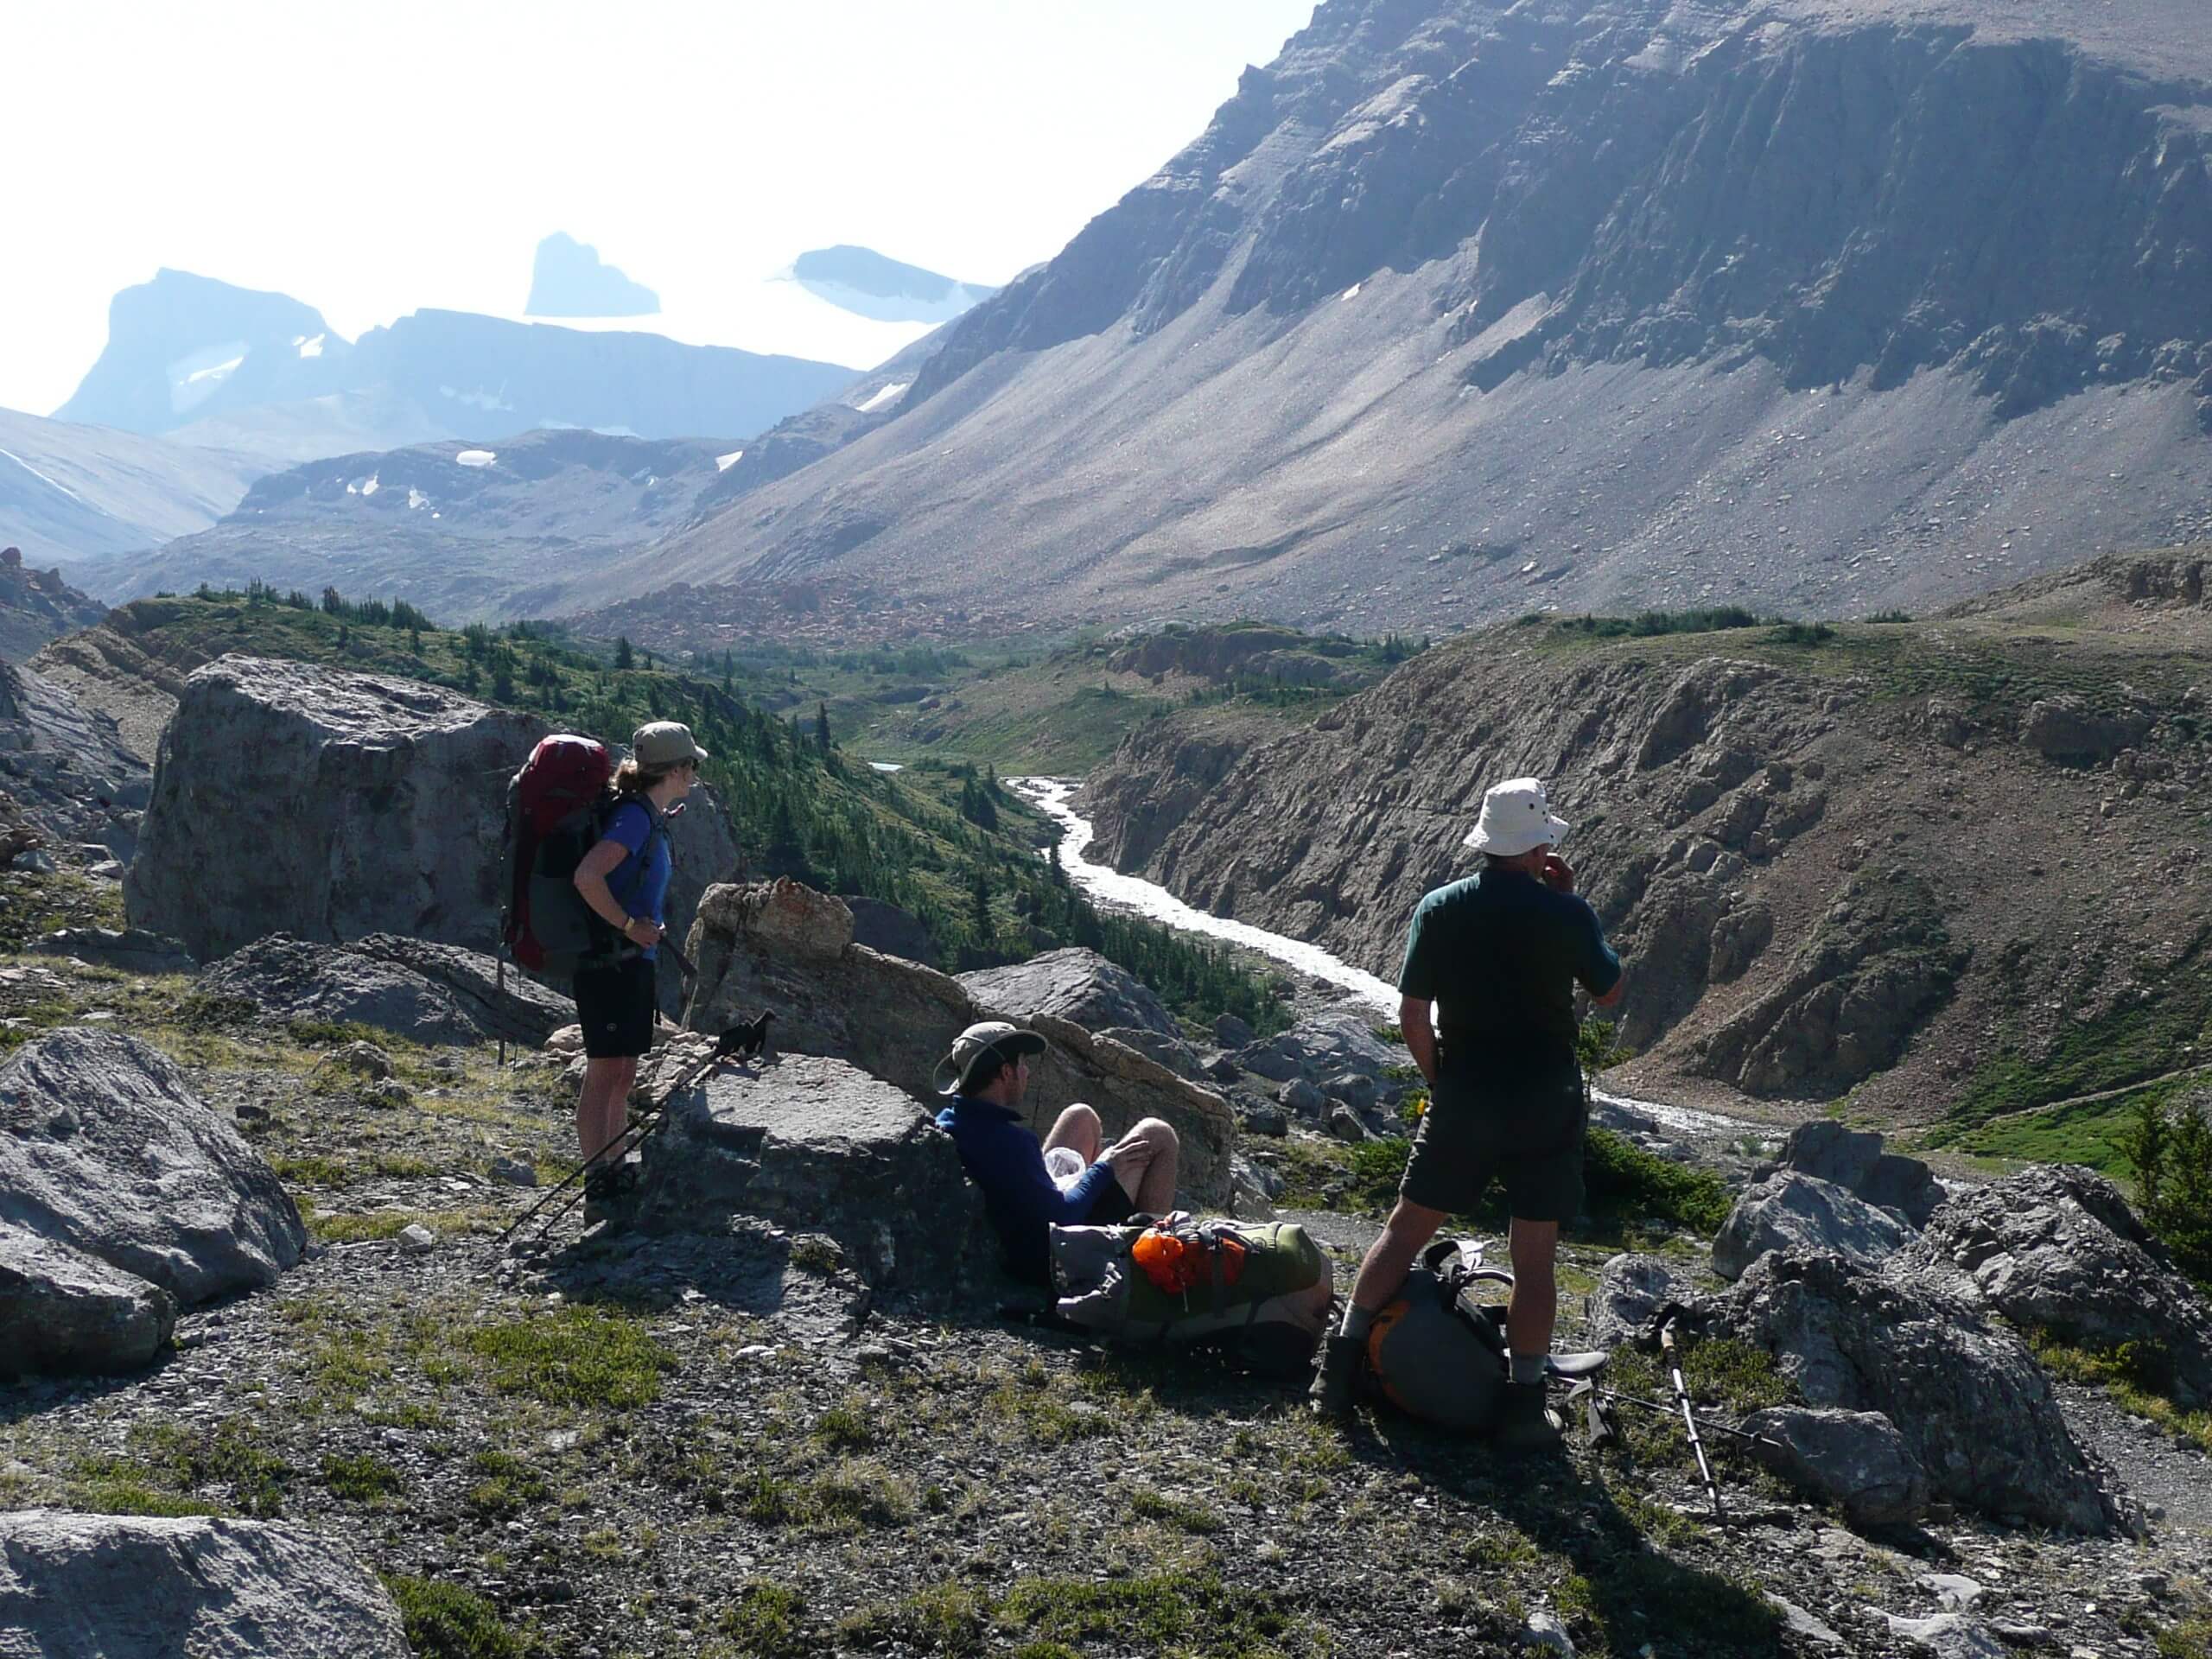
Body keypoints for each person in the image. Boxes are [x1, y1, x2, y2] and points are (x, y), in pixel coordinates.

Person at [1310, 777, 1623, 1446]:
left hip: (1466, 1094)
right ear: (1540, 845)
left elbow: (1413, 1014)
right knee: (1535, 1258)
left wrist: (1442, 1081)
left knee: (1405, 1230)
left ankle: (1336, 1371)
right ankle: (1522, 1405)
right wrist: (1572, 904)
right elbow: (1610, 991)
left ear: (1486, 841)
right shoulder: (1565, 913)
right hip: (1545, 1098)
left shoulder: (1440, 908)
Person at [569, 720, 706, 1204]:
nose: (694, 772)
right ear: (676, 769)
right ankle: (598, 1178)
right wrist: (629, 925)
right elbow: (587, 877)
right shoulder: (634, 819)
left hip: (629, 960)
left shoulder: (648, 815)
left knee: (623, 1071)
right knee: (606, 1071)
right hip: (611, 962)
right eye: (691, 764)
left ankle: (617, 1167)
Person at [932, 1020, 1180, 1285]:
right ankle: (1152, 1271)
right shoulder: (1012, 1143)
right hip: (1050, 1257)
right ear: (1006, 1072)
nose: (1027, 1072)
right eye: (1022, 1064)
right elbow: (1061, 1219)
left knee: (1080, 1116)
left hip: (1021, 1220)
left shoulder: (948, 1122)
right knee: (1158, 1134)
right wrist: (1105, 1167)